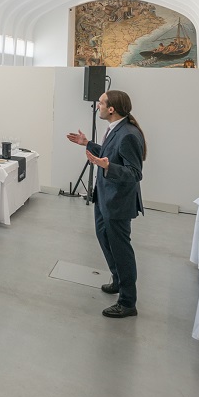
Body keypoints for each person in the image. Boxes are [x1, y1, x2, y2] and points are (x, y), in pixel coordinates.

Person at [65, 90, 147, 319]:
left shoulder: (129, 134)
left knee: (121, 250)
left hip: (118, 202)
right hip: (104, 198)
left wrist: (107, 167)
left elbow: (134, 173)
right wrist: (88, 144)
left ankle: (128, 302)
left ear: (111, 109)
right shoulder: (115, 129)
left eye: (100, 103)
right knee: (104, 240)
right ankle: (118, 280)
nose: (97, 107)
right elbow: (110, 155)